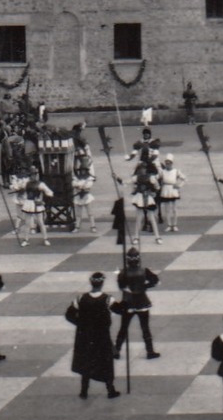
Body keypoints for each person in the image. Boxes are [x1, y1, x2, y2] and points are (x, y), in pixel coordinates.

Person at [66, 272, 120, 400]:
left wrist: (80, 324)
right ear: (102, 283)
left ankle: (84, 391)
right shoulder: (108, 299)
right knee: (106, 362)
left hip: (85, 336)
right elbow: (119, 310)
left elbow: (69, 314)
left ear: (91, 282)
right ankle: (110, 390)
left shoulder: (80, 298)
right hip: (102, 336)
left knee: (86, 362)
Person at [112, 247, 161, 360]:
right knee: (145, 328)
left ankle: (116, 351)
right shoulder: (144, 271)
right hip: (142, 302)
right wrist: (144, 286)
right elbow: (156, 281)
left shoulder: (123, 273)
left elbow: (121, 287)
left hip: (128, 303)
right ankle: (150, 351)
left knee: (123, 328)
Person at [18, 170, 54, 247]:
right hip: (29, 203)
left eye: (34, 175)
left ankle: (45, 239)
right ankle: (26, 240)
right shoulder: (26, 183)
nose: (33, 176)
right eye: (31, 175)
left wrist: (43, 200)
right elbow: (19, 188)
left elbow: (50, 193)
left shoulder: (41, 184)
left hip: (37, 203)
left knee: (40, 222)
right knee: (27, 223)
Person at [157, 154, 186, 234]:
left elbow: (184, 178)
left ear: (172, 163)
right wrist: (158, 186)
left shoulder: (176, 171)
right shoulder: (162, 172)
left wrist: (179, 186)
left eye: (169, 163)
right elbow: (156, 178)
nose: (167, 164)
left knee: (174, 208)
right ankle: (169, 225)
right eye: (166, 163)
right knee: (167, 209)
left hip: (173, 190)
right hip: (165, 190)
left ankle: (175, 224)